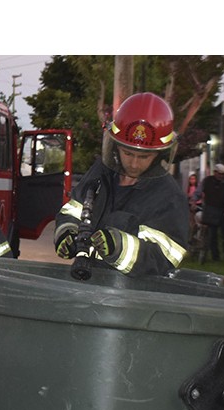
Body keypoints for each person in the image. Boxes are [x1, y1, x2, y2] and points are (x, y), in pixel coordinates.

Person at [54, 92, 189, 277]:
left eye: (144, 156)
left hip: (133, 297)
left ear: (161, 154)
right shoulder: (101, 173)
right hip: (88, 286)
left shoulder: (169, 197)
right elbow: (74, 209)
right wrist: (66, 231)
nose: (134, 163)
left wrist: (120, 247)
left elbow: (165, 258)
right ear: (115, 145)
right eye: (127, 153)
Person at [192, 163, 224, 261]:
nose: (222, 176)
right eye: (220, 174)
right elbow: (198, 192)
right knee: (212, 235)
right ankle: (215, 257)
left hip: (222, 210)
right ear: (215, 172)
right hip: (210, 210)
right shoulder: (207, 181)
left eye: (223, 174)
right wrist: (193, 201)